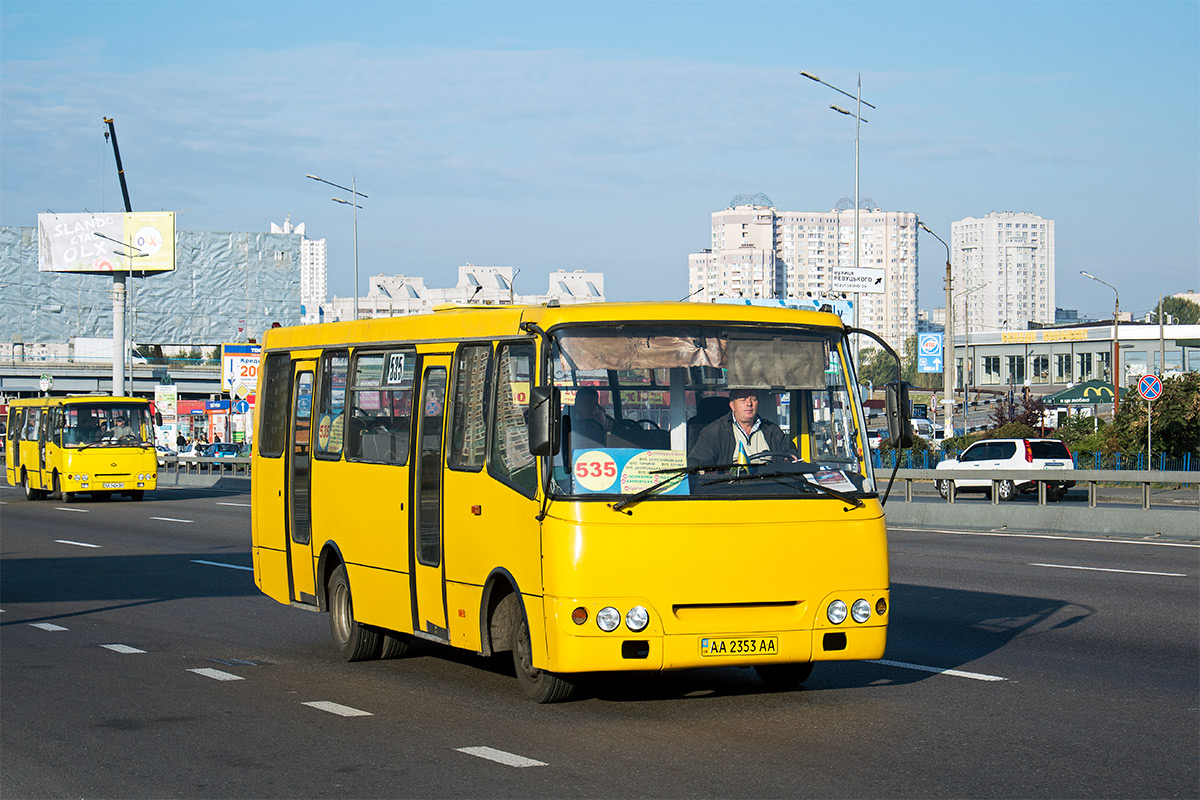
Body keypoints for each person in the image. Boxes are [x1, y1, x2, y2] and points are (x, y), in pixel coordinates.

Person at [688, 388, 796, 467]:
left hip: (770, 491)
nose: (749, 404)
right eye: (743, 400)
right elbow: (696, 463)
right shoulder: (714, 432)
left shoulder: (772, 431)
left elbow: (787, 455)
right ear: (732, 405)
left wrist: (790, 457)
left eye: (753, 399)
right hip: (730, 492)